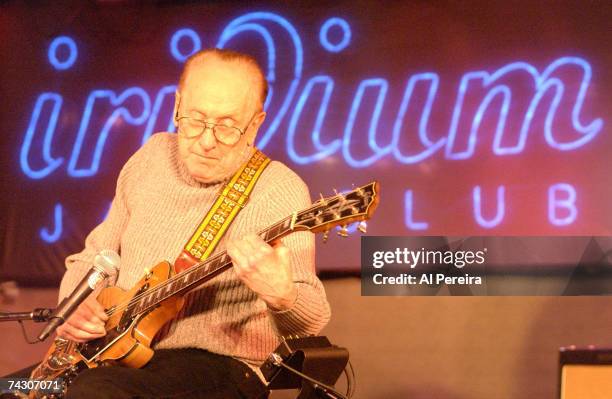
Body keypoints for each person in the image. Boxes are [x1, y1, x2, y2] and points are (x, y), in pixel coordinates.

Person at [53, 48, 331, 398]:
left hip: (219, 367)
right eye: (195, 120)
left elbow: (312, 319)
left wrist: (283, 294)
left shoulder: (278, 190)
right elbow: (96, 256)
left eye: (228, 126)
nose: (207, 140)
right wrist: (78, 303)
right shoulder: (151, 157)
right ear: (177, 106)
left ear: (256, 123)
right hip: (116, 356)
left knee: (94, 393)